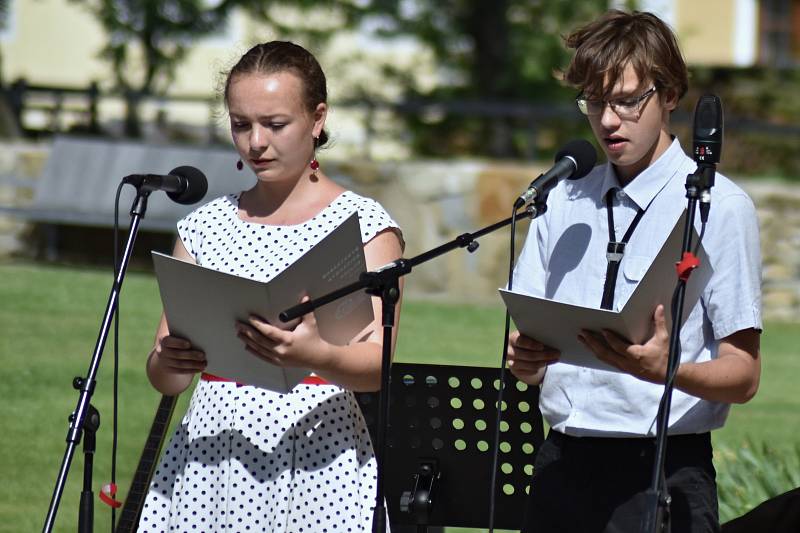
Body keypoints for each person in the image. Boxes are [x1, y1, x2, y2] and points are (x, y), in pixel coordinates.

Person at [506, 10, 761, 533]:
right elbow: (528, 361)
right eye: (594, 103)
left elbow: (744, 375)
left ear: (668, 95)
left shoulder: (719, 205)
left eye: (626, 101)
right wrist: (524, 358)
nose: (606, 121)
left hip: (664, 469)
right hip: (562, 464)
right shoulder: (562, 200)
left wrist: (667, 371)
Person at [138, 41, 404, 532]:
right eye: (241, 125)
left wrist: (314, 354)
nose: (256, 142)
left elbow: (379, 366)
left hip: (320, 455)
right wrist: (168, 361)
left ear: (317, 119)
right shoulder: (204, 226)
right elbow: (166, 376)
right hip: (213, 454)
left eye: (275, 125)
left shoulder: (364, 225)